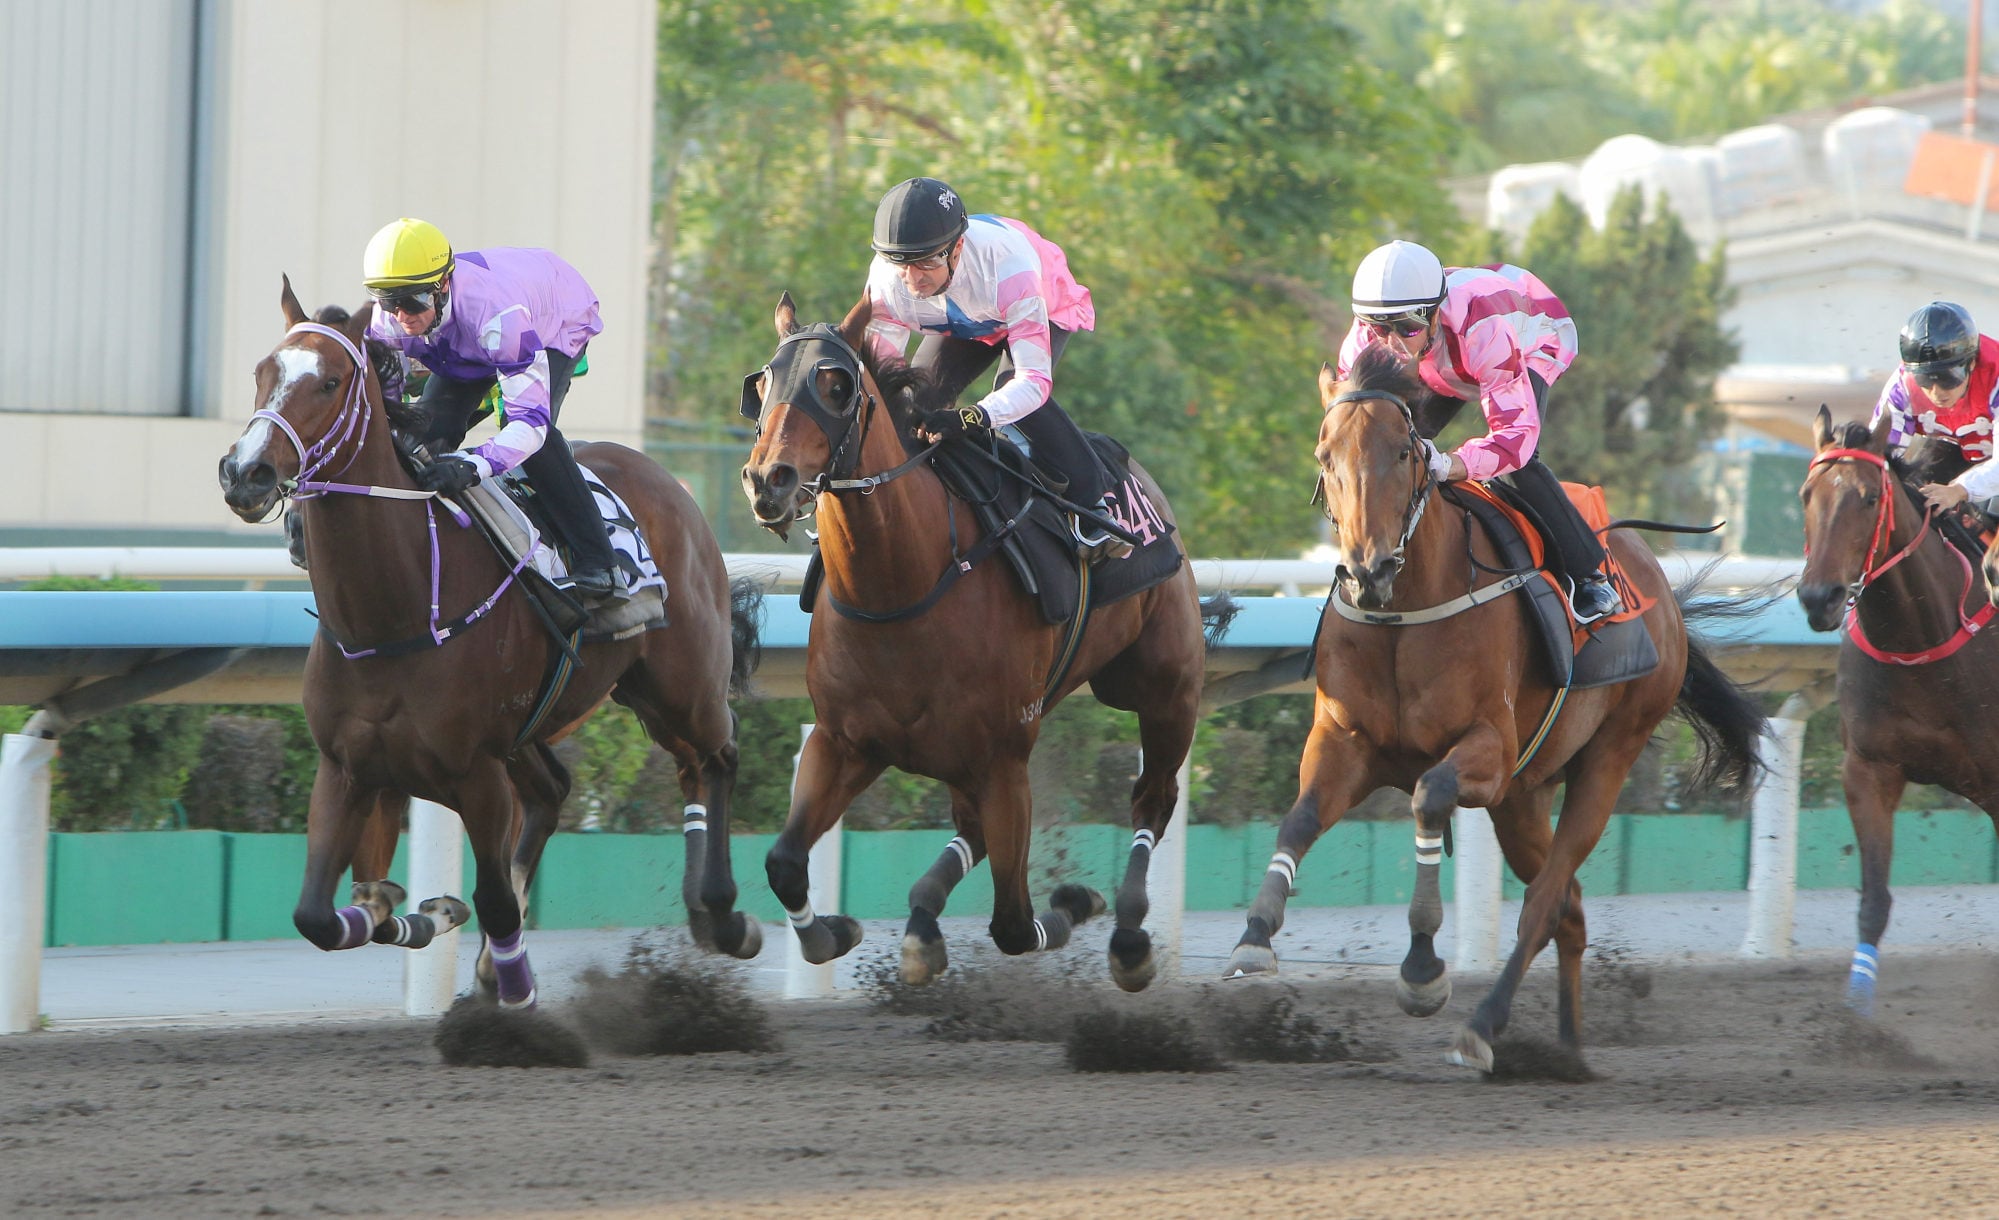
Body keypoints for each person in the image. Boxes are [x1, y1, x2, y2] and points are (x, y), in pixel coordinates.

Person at [1337, 239, 1619, 622]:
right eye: (1379, 329)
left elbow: (1515, 440)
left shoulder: (1485, 330)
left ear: (1433, 314)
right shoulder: (1364, 339)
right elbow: (1354, 427)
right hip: (1444, 352)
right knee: (1394, 446)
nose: (1392, 343)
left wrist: (1451, 464)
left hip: (1530, 335)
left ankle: (1588, 576)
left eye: (1406, 328)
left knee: (1520, 465)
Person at [862, 177, 1127, 558]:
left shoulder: (1009, 268)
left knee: (1011, 390)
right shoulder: (887, 280)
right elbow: (883, 380)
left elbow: (1033, 382)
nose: (912, 278)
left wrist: (972, 417)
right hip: (968, 316)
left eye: (926, 262)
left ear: (957, 248)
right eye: (901, 263)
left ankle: (1096, 507)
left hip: (1037, 302)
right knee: (917, 401)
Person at [359, 217, 621, 601]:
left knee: (531, 438)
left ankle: (600, 563)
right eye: (388, 301)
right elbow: (390, 414)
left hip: (554, 316)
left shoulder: (500, 318)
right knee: (423, 436)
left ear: (442, 285)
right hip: (468, 332)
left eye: (413, 300)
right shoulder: (387, 321)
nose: (401, 315)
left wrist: (472, 466)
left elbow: (530, 425)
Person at [1870, 302, 1999, 516]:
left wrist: (1959, 490)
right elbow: (1879, 458)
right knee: (1916, 495)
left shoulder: (1995, 377)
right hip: (1959, 446)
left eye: (1948, 378)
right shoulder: (1901, 389)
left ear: (1972, 363)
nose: (1937, 393)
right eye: (1925, 380)